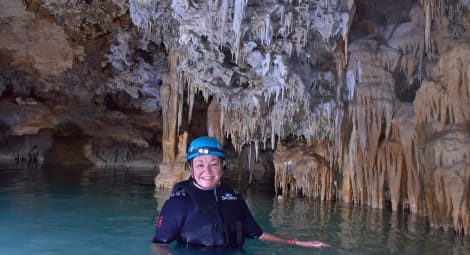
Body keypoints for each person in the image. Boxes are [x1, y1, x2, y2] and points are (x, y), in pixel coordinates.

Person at [151, 136, 329, 254]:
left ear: (223, 166)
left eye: (214, 163)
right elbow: (159, 243)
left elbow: (256, 234)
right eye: (199, 165)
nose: (207, 170)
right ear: (191, 168)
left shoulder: (233, 198)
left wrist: (297, 243)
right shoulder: (180, 202)